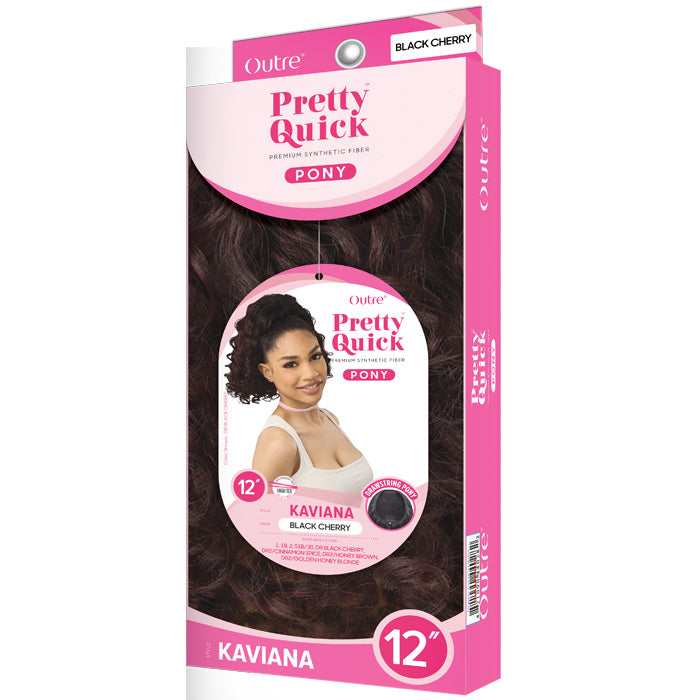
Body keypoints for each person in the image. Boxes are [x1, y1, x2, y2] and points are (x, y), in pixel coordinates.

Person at [226, 293, 373, 494]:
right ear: (267, 372)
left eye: (315, 356)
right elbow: (258, 512)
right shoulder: (279, 442)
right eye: (291, 364)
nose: (311, 374)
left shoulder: (330, 419)